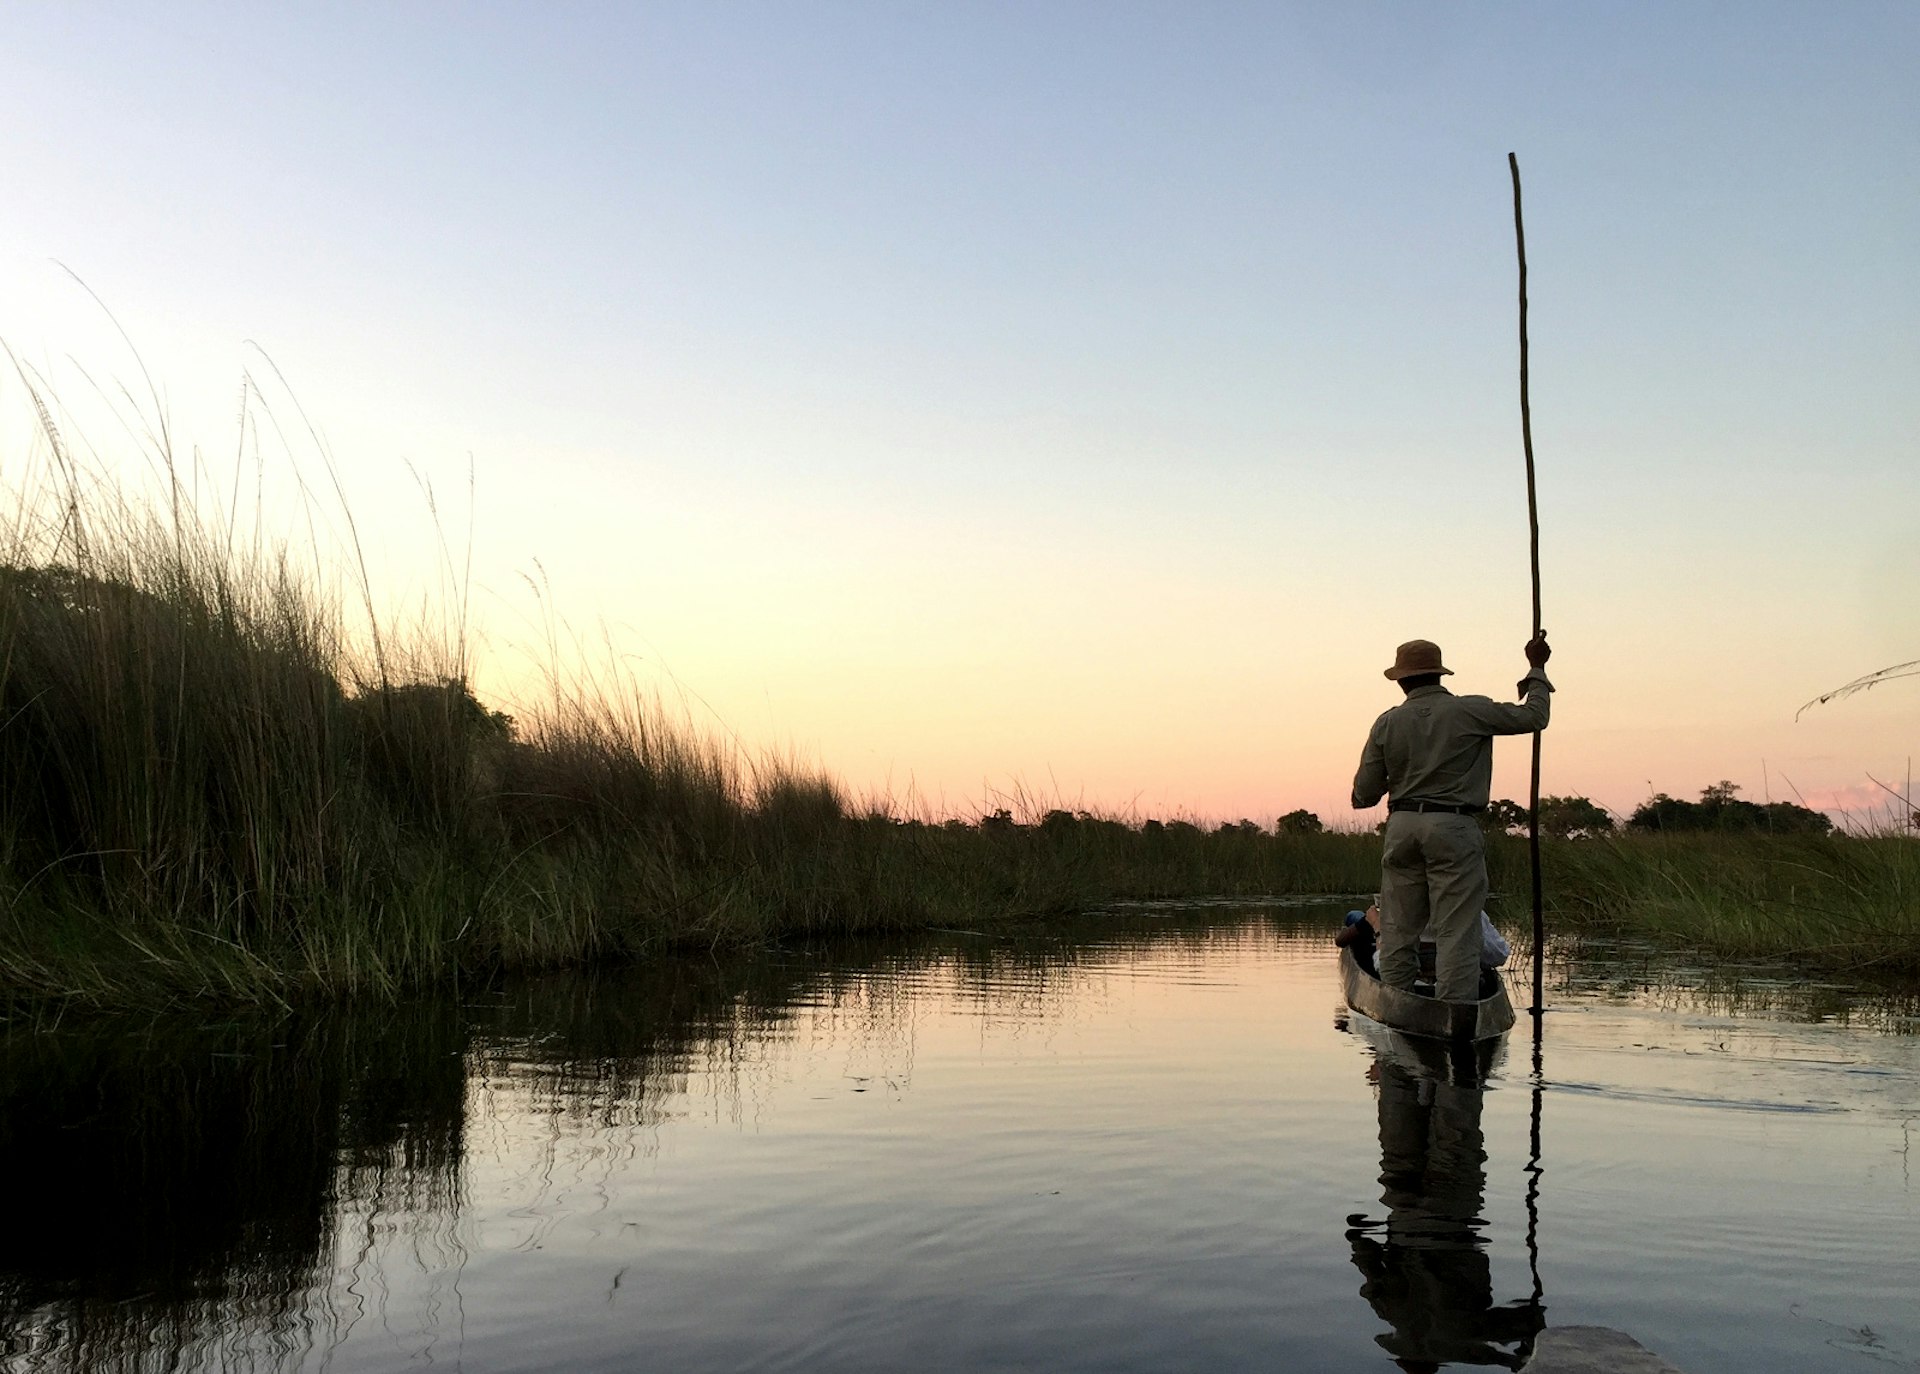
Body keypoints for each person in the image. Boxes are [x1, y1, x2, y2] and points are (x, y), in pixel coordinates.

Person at [1351, 636, 1552, 1003]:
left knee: (1397, 929)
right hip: (1454, 825)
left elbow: (1363, 795)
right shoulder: (1471, 710)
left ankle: (1397, 1007)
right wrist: (1537, 670)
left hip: (1403, 826)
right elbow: (1534, 716)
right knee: (1457, 930)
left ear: (1401, 680)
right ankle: (1454, 1011)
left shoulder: (1387, 723)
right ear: (1439, 675)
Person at [1335, 904, 1510, 980]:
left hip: (1411, 969)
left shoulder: (1401, 911)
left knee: (1356, 916)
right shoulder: (1469, 910)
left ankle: (1363, 920)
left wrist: (1377, 926)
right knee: (1356, 916)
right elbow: (1498, 956)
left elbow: (1385, 967)